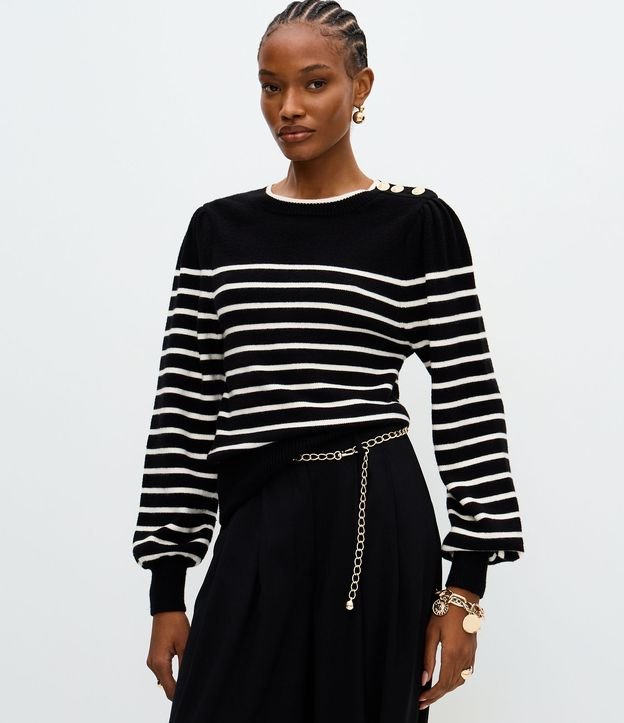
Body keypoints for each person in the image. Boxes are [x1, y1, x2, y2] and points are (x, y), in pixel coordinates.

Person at [131, 2, 525, 721]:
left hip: (374, 519)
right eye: (271, 86)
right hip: (256, 515)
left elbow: (468, 399)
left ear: (360, 87)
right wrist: (167, 588)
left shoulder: (416, 223)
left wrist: (465, 590)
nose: (289, 106)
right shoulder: (218, 231)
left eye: (315, 83)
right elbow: (184, 408)